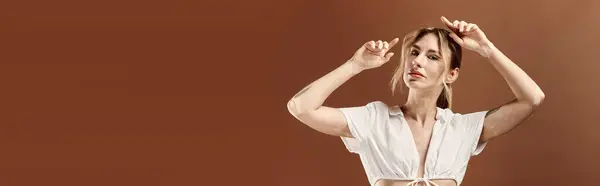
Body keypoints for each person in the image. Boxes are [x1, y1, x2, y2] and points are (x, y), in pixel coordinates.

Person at [286, 16, 545, 186]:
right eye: (414, 52)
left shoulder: (462, 130)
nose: (417, 61)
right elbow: (301, 107)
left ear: (451, 74)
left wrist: (487, 49)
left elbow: (532, 99)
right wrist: (354, 65)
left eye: (432, 57)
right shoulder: (374, 120)